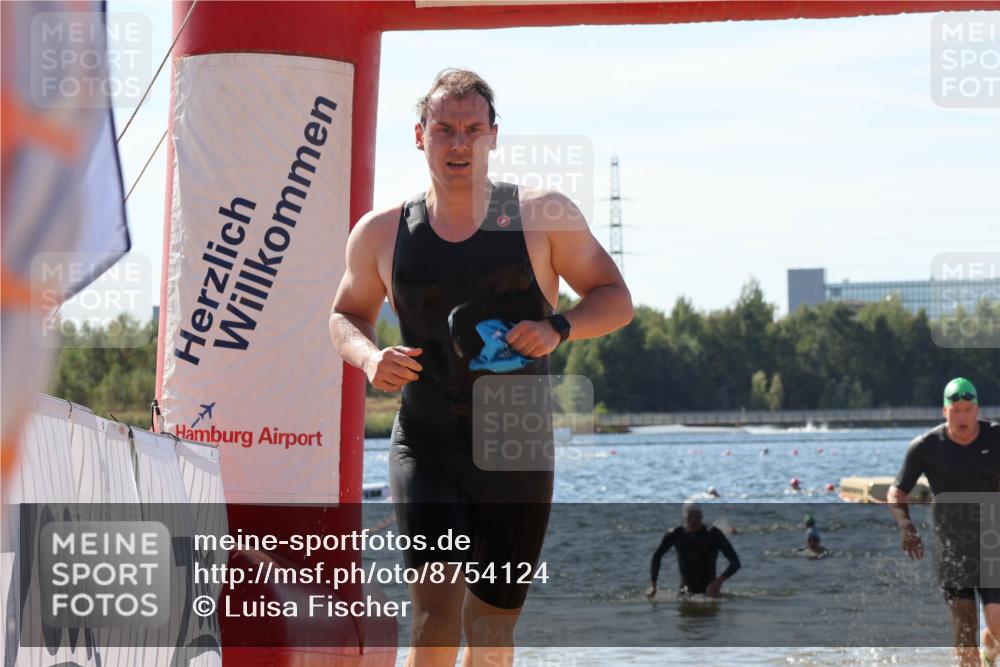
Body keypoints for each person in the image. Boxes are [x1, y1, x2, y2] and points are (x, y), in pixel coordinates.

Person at [329, 69, 633, 667]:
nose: (459, 143)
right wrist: (369, 357)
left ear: (494, 136)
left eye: (472, 129)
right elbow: (346, 314)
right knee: (434, 618)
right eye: (445, 129)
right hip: (427, 441)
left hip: (515, 448)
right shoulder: (381, 232)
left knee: (491, 634)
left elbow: (615, 299)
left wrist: (559, 327)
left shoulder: (542, 215)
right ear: (420, 137)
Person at [887, 378, 1000, 667]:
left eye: (967, 409)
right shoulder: (926, 446)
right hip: (952, 546)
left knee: (998, 624)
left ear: (977, 409)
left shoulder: (996, 437)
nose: (962, 417)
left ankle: (992, 642)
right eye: (956, 410)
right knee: (964, 626)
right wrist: (906, 527)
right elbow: (897, 491)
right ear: (944, 411)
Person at [647, 500, 741, 598]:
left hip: (709, 595)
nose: (694, 520)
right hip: (684, 594)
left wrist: (719, 581)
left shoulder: (713, 534)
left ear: (702, 517)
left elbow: (735, 562)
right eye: (690, 517)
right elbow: (657, 556)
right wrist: (653, 584)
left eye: (697, 517)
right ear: (684, 518)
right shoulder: (676, 534)